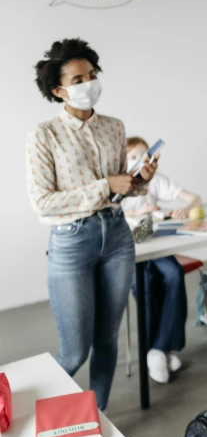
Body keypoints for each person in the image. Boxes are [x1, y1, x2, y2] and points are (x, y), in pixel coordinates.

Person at [26, 38, 157, 410]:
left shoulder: (114, 127)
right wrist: (104, 185)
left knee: (107, 339)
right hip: (71, 243)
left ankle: (96, 416)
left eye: (92, 74)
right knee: (74, 351)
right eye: (79, 78)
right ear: (58, 89)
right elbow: (43, 202)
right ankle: (32, 419)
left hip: (116, 235)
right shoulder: (43, 135)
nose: (89, 83)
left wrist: (139, 179)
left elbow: (117, 193)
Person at [122, 136, 203, 384]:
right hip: (128, 250)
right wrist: (137, 211)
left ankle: (161, 348)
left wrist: (185, 210)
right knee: (143, 281)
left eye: (145, 155)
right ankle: (157, 349)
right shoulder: (118, 183)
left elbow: (195, 198)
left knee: (173, 274)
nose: (140, 161)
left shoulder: (155, 179)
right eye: (134, 156)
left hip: (155, 244)